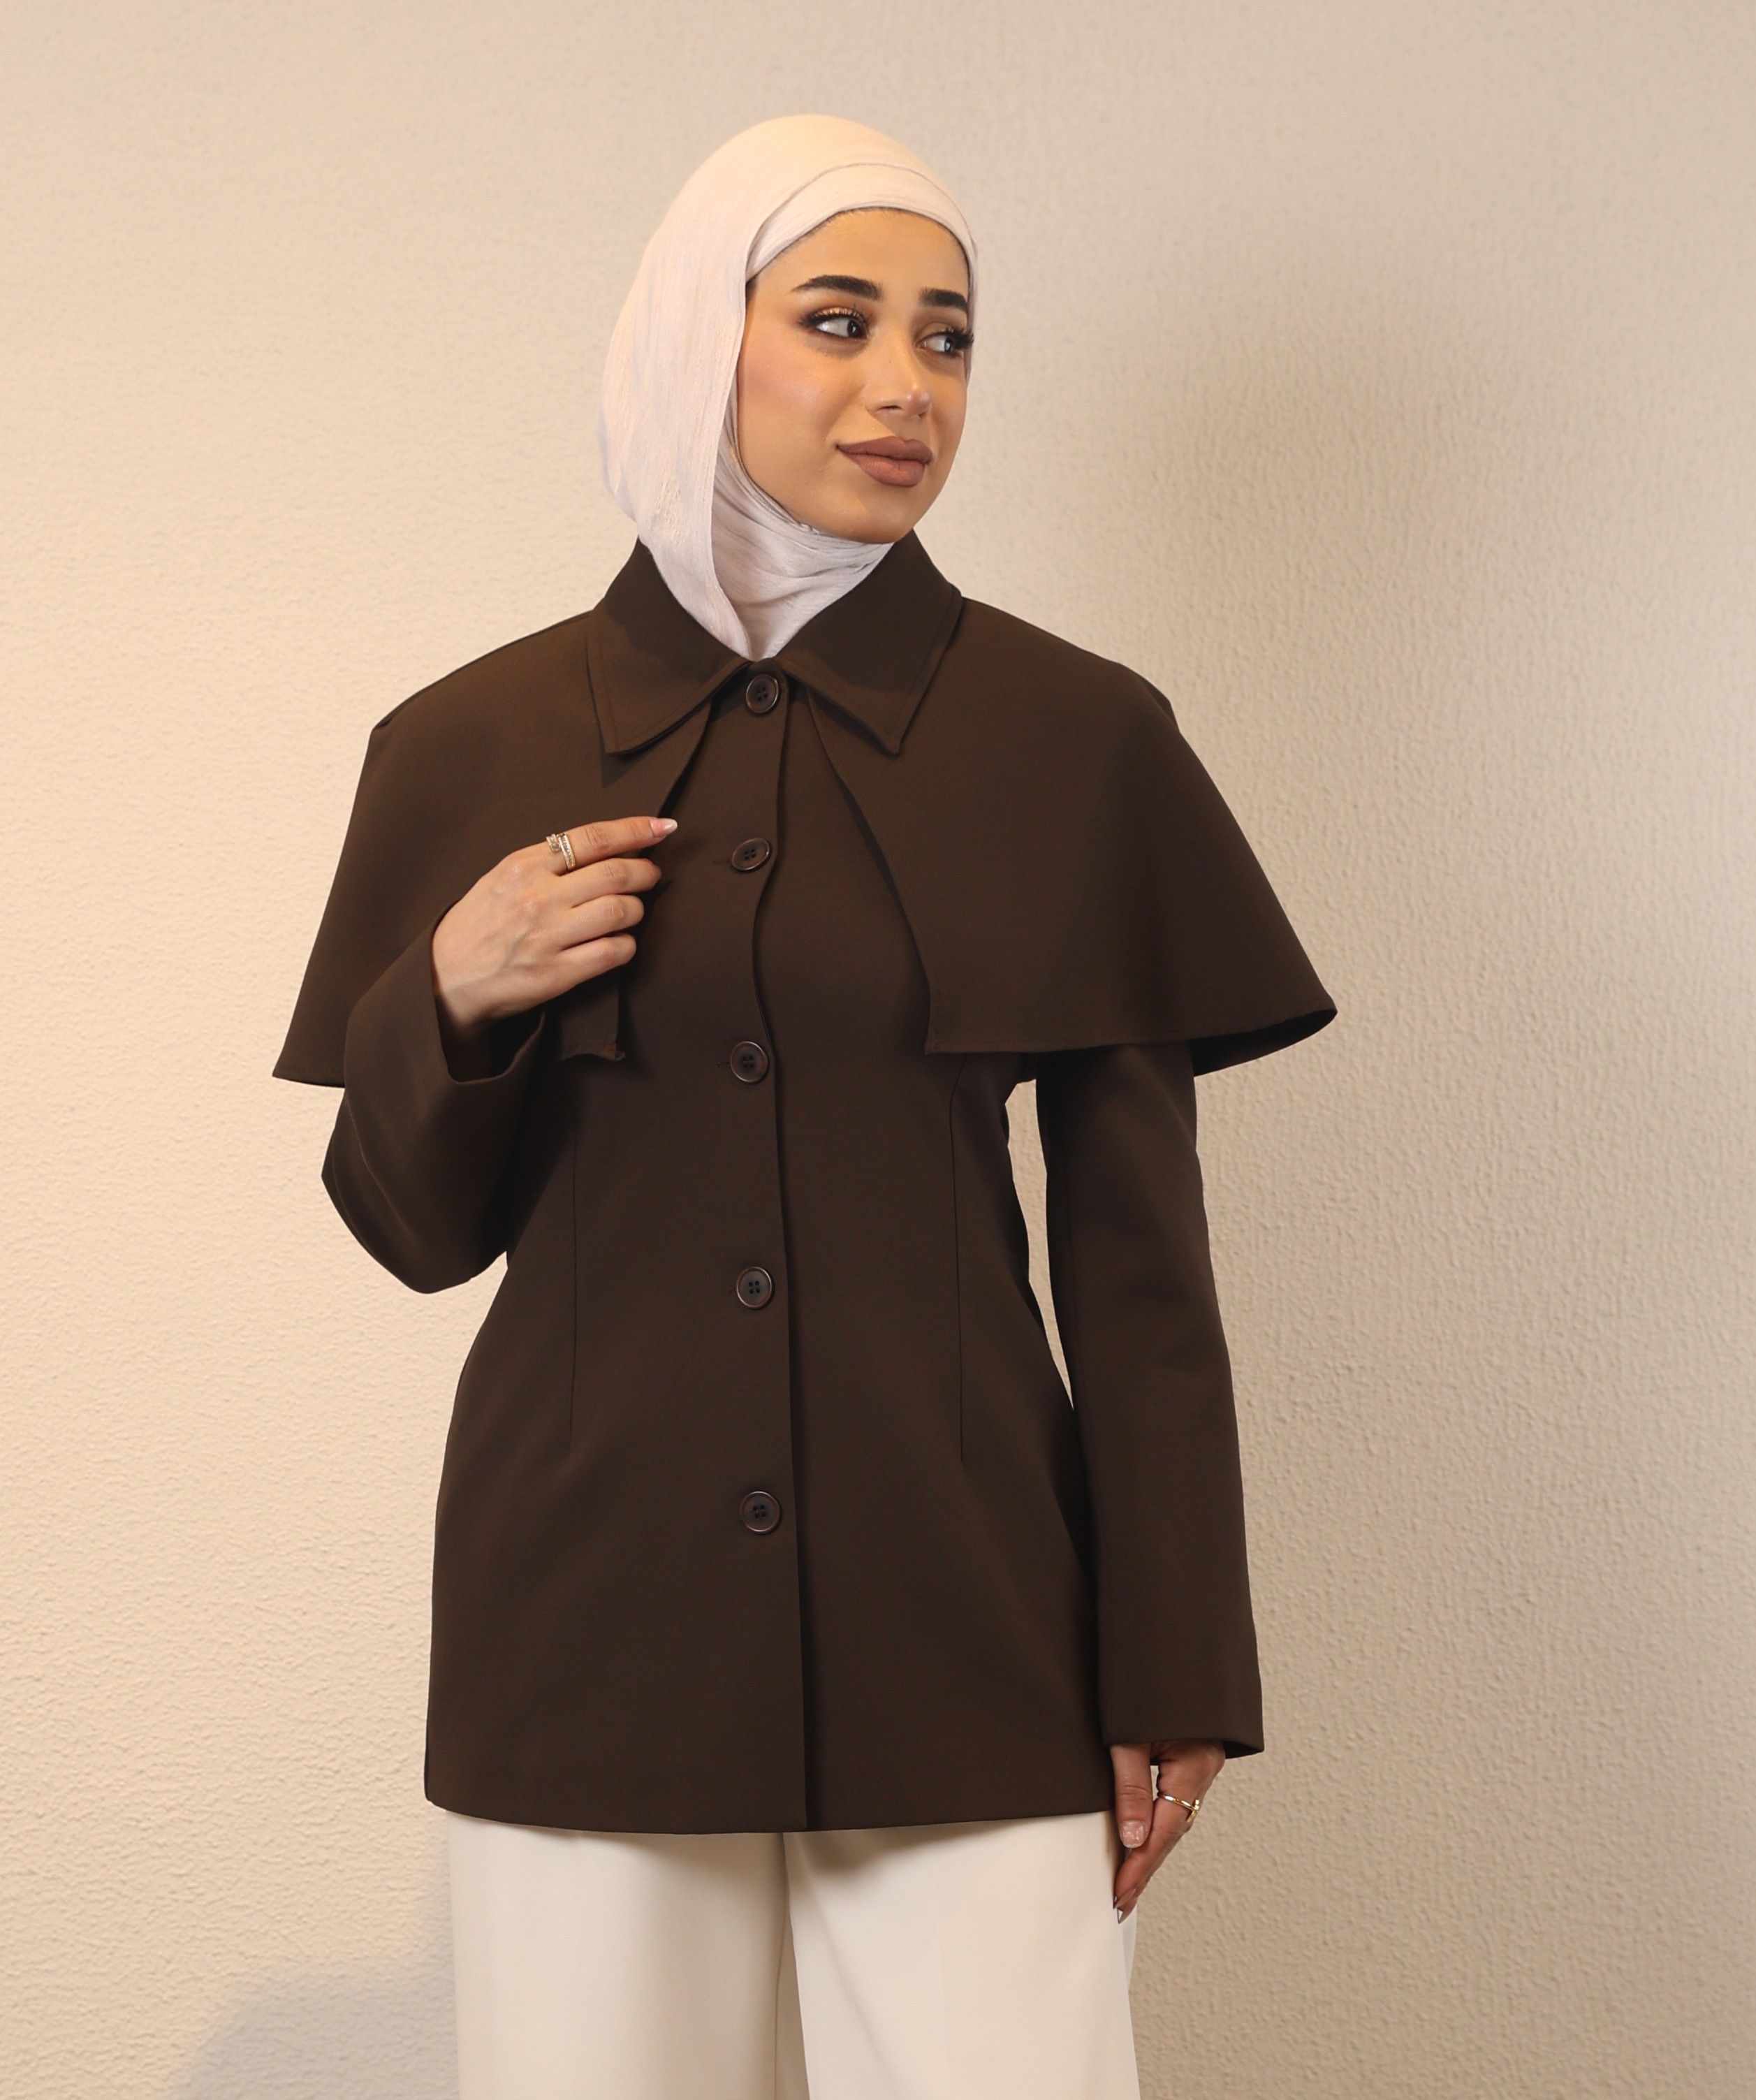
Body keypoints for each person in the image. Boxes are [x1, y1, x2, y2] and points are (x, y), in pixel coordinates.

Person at [273, 112, 1337, 2099]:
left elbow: (1141, 1279)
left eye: (947, 336)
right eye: (838, 321)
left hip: (978, 1630)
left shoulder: (1077, 742)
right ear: (702, 341)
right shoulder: (471, 743)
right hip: (587, 1633)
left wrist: (1176, 1659)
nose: (904, 385)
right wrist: (451, 989)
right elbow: (412, 1231)